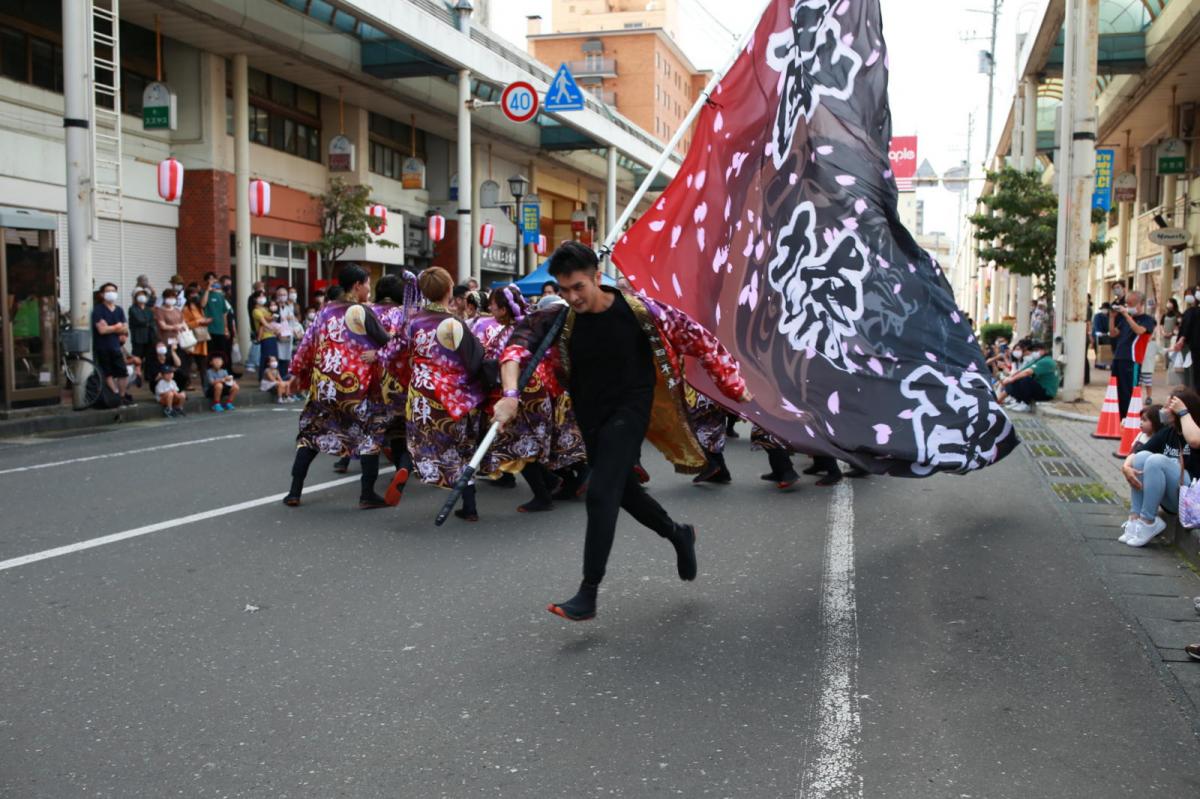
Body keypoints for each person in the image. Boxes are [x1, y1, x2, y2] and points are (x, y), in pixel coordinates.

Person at [494, 242, 751, 621]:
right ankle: (678, 533)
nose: (572, 297)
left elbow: (699, 339)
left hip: (631, 409)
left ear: (598, 278)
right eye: (563, 290)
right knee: (625, 493)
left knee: (600, 492)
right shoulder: (558, 320)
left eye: (578, 287)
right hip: (591, 415)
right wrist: (510, 395)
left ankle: (588, 592)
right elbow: (515, 350)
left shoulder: (640, 311)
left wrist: (734, 386)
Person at [378, 266, 494, 521]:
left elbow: (391, 352)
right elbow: (474, 360)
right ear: (450, 289)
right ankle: (470, 507)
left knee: (419, 441)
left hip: (420, 392)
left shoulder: (413, 321)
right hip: (451, 394)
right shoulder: (454, 324)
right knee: (461, 449)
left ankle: (405, 468)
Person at [283, 264, 392, 509]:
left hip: (325, 383)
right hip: (356, 386)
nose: (368, 289)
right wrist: (380, 354)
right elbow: (387, 343)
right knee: (368, 438)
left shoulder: (325, 311)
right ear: (357, 285)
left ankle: (294, 491)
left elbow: (306, 345)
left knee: (311, 435)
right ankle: (367, 494)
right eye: (366, 284)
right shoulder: (360, 311)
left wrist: (295, 374)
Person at [477, 285, 584, 513]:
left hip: (524, 392)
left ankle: (543, 496)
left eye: (493, 305)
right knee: (534, 444)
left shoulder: (512, 333)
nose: (490, 308)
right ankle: (556, 483)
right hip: (541, 390)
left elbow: (498, 363)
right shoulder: (526, 326)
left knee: (521, 445)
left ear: (504, 309)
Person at [1119, 388, 1200, 547]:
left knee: (1157, 460)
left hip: (1190, 500)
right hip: (1172, 499)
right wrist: (1126, 466)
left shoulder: (1195, 430)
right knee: (1143, 458)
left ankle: (1148, 521)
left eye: (1169, 407)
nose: (1163, 411)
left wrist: (1183, 412)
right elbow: (1139, 452)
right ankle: (1135, 519)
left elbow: (1195, 441)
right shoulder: (1168, 432)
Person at [371, 272, 422, 506]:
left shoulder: (366, 311)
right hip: (398, 379)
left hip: (369, 378)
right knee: (406, 429)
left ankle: (367, 487)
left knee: (375, 432)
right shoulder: (402, 315)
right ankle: (404, 466)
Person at [1109, 291, 1155, 420]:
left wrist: (1126, 315)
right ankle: (1118, 418)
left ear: (1141, 304)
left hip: (1132, 360)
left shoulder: (1148, 320)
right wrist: (1112, 317)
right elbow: (1113, 333)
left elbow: (1140, 331)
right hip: (1118, 357)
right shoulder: (1125, 319)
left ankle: (1129, 419)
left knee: (1129, 391)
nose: (1128, 306)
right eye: (1127, 304)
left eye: (1132, 304)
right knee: (1116, 390)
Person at [91, 282, 133, 405]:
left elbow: (125, 329)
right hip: (103, 346)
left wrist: (111, 328)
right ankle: (114, 394)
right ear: (102, 294)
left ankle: (122, 395)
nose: (111, 293)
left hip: (116, 346)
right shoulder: (98, 310)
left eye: (114, 291)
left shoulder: (119, 310)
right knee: (107, 373)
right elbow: (101, 330)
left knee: (123, 373)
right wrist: (116, 327)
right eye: (108, 291)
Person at [996, 340, 1058, 410]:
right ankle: (1014, 401)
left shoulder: (1047, 361)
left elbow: (1027, 372)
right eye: (1033, 350)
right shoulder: (1037, 360)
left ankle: (1026, 403)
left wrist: (1011, 378)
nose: (1034, 352)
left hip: (1047, 393)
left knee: (1024, 379)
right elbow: (1021, 371)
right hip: (1040, 389)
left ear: (1044, 350)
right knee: (1016, 378)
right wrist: (1010, 378)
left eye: (1036, 350)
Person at [153, 288, 192, 390]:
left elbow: (183, 323)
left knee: (180, 364)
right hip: (165, 340)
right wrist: (175, 327)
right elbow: (162, 326)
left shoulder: (177, 310)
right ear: (164, 298)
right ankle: (165, 387)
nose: (171, 299)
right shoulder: (160, 311)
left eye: (173, 297)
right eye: (169, 297)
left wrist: (183, 328)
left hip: (179, 340)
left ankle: (180, 386)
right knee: (167, 364)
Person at [202, 274, 234, 369]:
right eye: (214, 285)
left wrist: (226, 328)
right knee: (210, 352)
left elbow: (224, 314)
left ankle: (222, 370)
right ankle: (209, 371)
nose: (216, 287)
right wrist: (208, 290)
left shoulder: (221, 297)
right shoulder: (206, 294)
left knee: (222, 352)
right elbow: (203, 304)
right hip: (209, 329)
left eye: (217, 285)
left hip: (220, 329)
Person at [251, 289, 281, 377]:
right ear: (255, 299)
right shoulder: (256, 311)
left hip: (272, 335)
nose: (262, 298)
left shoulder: (266, 309)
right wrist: (274, 329)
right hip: (265, 336)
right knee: (267, 358)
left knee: (274, 357)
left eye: (263, 296)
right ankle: (263, 377)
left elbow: (272, 318)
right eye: (260, 296)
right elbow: (264, 323)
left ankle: (272, 377)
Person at [127, 288, 158, 370]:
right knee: (137, 357)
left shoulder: (148, 309)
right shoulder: (132, 308)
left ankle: (148, 376)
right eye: (139, 295)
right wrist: (148, 323)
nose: (142, 297)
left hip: (149, 336)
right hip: (138, 337)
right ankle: (136, 375)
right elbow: (139, 320)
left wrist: (148, 323)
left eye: (143, 295)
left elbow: (153, 321)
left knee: (149, 357)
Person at [182, 289, 211, 365]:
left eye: (197, 294)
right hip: (191, 338)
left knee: (202, 362)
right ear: (188, 296)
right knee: (189, 361)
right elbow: (185, 324)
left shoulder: (199, 307)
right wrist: (197, 322)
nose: (196, 296)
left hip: (201, 337)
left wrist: (206, 321)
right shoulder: (185, 309)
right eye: (193, 294)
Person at [1092, 303, 1111, 369]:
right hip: (1097, 335)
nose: (1105, 310)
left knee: (1107, 348)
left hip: (1107, 335)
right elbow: (1096, 326)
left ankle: (1106, 362)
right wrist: (1099, 332)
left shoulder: (1110, 317)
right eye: (1104, 309)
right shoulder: (1097, 316)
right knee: (1098, 349)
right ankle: (1099, 363)